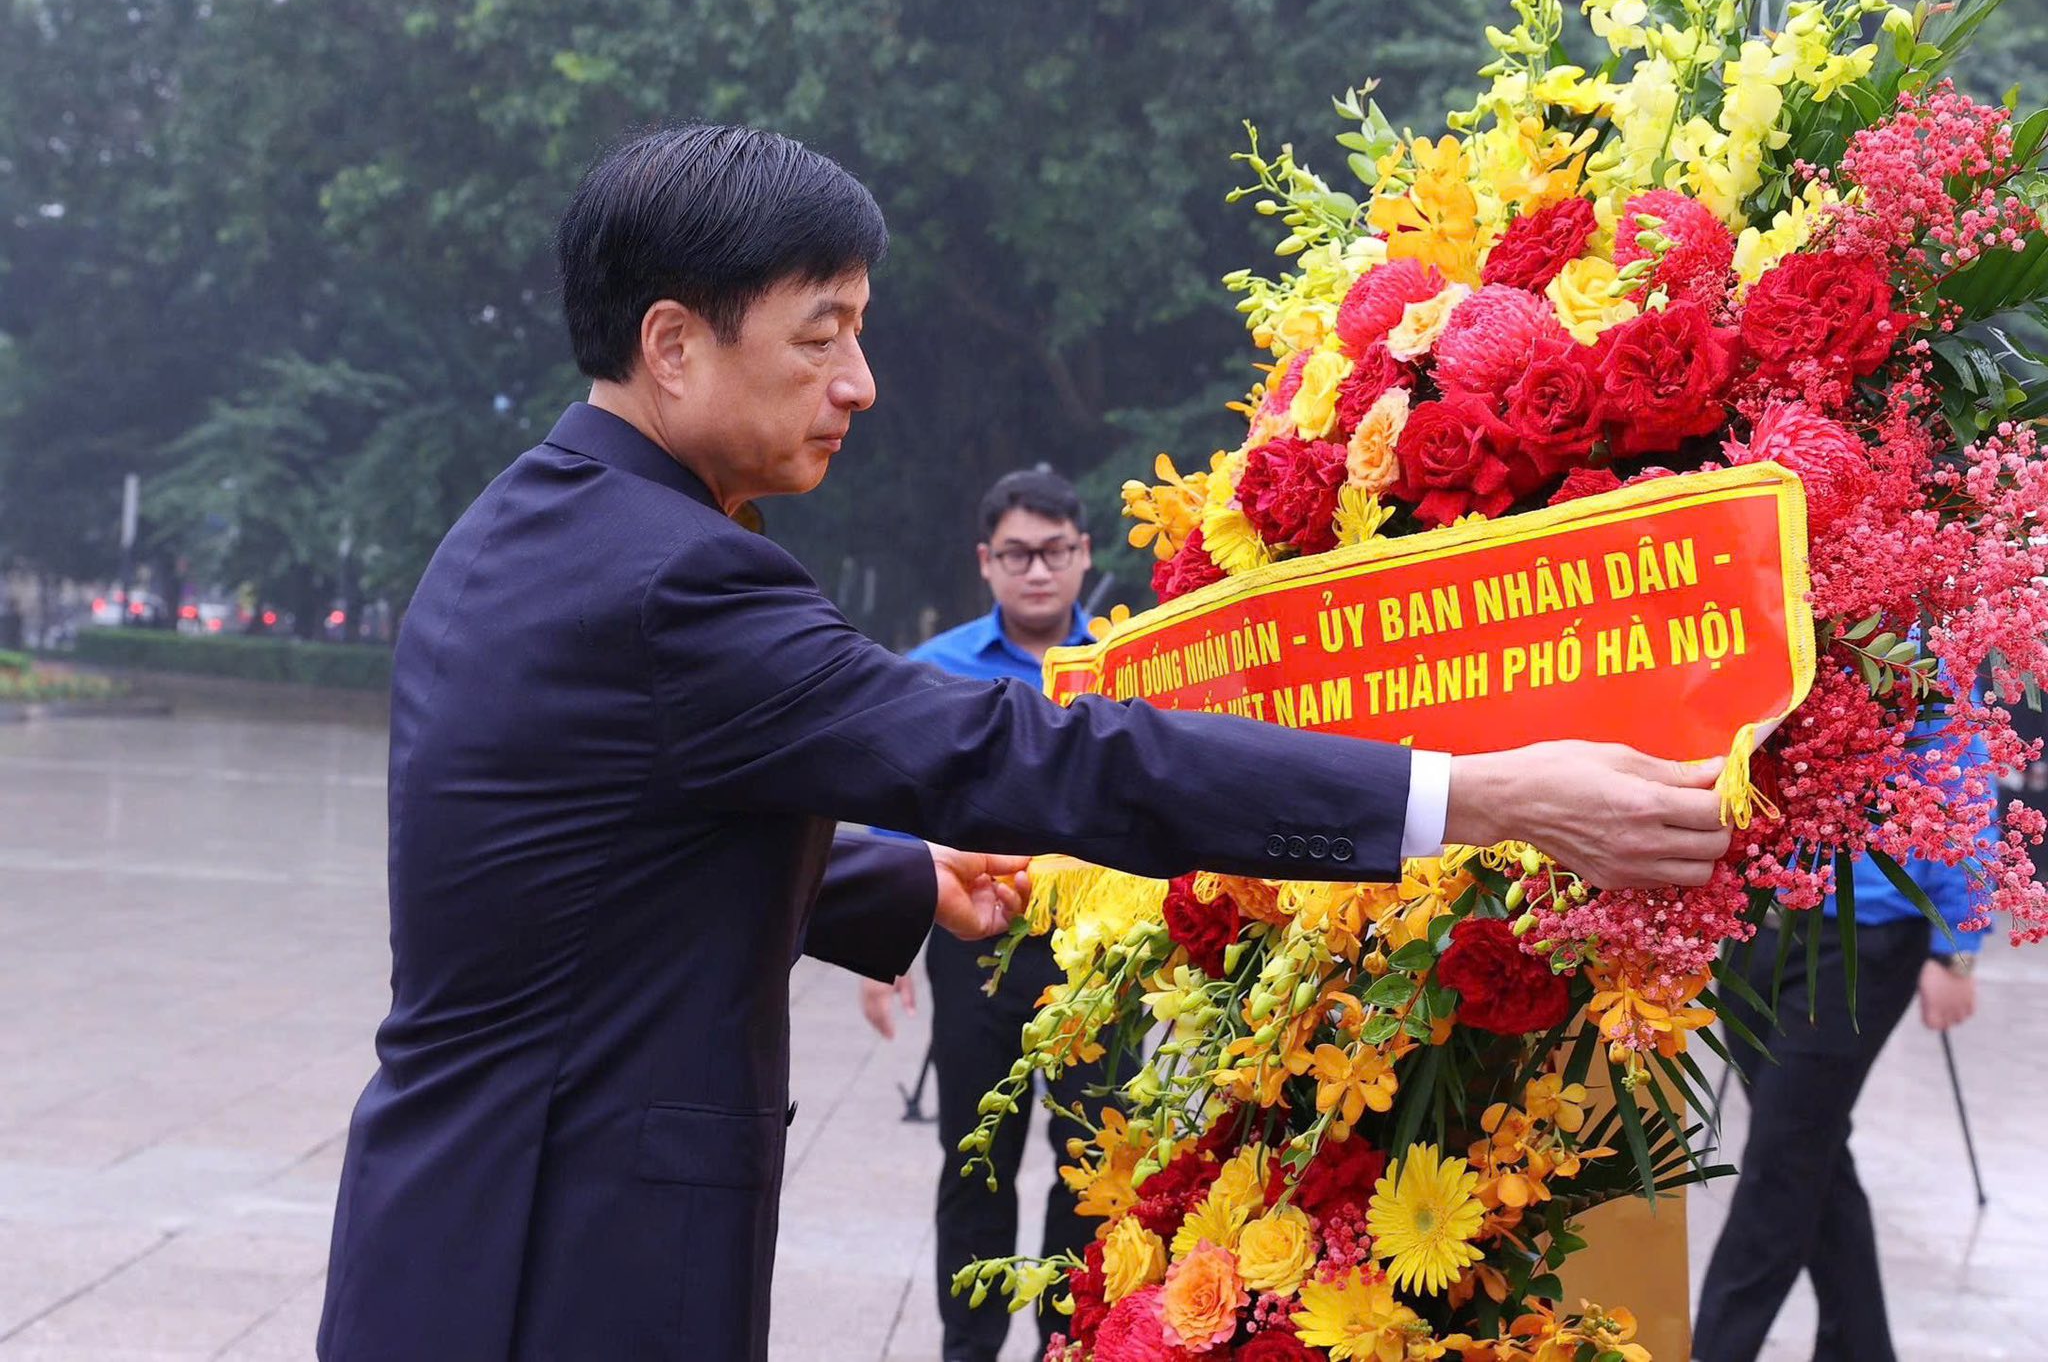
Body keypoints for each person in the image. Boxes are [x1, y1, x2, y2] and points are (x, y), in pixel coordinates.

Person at [315, 123, 1735, 1362]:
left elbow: (592, 859)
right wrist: (1477, 792)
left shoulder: (531, 522)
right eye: (821, 335)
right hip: (565, 1265)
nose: (860, 382)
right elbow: (1046, 757)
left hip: (460, 1223)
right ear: (675, 343)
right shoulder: (679, 579)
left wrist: (901, 877)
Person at [858, 467, 1106, 1362]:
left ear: (1083, 556)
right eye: (1017, 554)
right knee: (977, 1156)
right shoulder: (939, 672)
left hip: (1101, 950)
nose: (1036, 571)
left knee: (1095, 1161)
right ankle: (968, 1346)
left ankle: (1070, 1343)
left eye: (1054, 552)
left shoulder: (1127, 662)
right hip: (978, 939)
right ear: (986, 562)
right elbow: (897, 810)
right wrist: (880, 951)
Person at [1693, 727, 1986, 1362]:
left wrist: (1957, 948)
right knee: (1808, 1149)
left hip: (1864, 937)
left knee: (1782, 1160)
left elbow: (1964, 776)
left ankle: (1715, 1350)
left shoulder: (1919, 637)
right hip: (1757, 923)